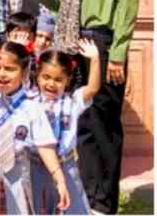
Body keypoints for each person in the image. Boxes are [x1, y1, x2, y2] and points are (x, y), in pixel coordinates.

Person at [26, 0, 140, 214]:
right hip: (73, 44)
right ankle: (86, 198)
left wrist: (116, 55)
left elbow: (127, 7)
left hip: (103, 43)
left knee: (103, 124)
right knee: (82, 124)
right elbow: (58, 1)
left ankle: (104, 203)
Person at [0, 43, 70, 214]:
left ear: (24, 72)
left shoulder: (32, 107)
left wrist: (60, 179)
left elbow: (45, 146)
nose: (2, 74)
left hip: (16, 173)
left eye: (10, 69)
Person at [31, 41, 100, 215]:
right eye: (46, 77)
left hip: (66, 166)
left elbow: (93, 88)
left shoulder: (73, 102)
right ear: (37, 75)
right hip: (36, 167)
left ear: (68, 80)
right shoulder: (29, 101)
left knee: (72, 209)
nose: (51, 84)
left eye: (58, 79)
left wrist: (95, 59)